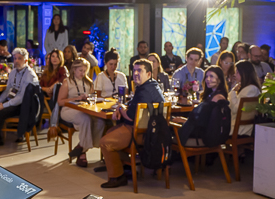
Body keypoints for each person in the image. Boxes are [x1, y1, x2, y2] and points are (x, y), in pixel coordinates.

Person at [99, 59, 164, 188]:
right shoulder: (152, 86)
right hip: (152, 131)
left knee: (105, 142)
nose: (135, 73)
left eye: (139, 71)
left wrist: (120, 108)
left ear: (149, 74)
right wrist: (123, 107)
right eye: (134, 70)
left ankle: (118, 177)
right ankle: (126, 168)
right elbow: (134, 106)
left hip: (142, 134)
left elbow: (129, 116)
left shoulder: (144, 91)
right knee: (110, 132)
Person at [61, 59, 105, 168]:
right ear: (74, 70)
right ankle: (82, 150)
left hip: (84, 109)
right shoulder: (67, 82)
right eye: (80, 70)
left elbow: (92, 98)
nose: (83, 73)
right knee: (85, 119)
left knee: (100, 121)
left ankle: (81, 148)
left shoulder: (88, 82)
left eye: (85, 71)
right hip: (68, 110)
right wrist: (77, 98)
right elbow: (60, 101)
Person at [175, 66, 229, 147]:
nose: (208, 79)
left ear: (220, 79)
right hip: (206, 133)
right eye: (206, 76)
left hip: (203, 136)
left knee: (169, 128)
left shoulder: (217, 98)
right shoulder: (215, 95)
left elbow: (203, 122)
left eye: (211, 76)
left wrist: (183, 121)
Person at [229, 60, 261, 137]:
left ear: (244, 73)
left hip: (241, 129)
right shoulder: (248, 88)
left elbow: (235, 109)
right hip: (239, 127)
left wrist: (233, 92)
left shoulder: (251, 89)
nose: (235, 75)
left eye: (237, 72)